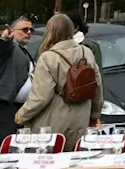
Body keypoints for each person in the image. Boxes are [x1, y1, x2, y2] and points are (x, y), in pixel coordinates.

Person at [15, 14, 104, 150]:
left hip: (52, 123)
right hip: (81, 119)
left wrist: (21, 115)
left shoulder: (48, 57)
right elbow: (97, 88)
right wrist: (94, 115)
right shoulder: (86, 53)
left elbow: (41, 97)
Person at [0, 16, 35, 155]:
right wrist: (4, 39)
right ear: (12, 31)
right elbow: (2, 48)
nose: (28, 32)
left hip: (14, 110)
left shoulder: (23, 50)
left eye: (31, 29)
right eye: (24, 29)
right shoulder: (9, 47)